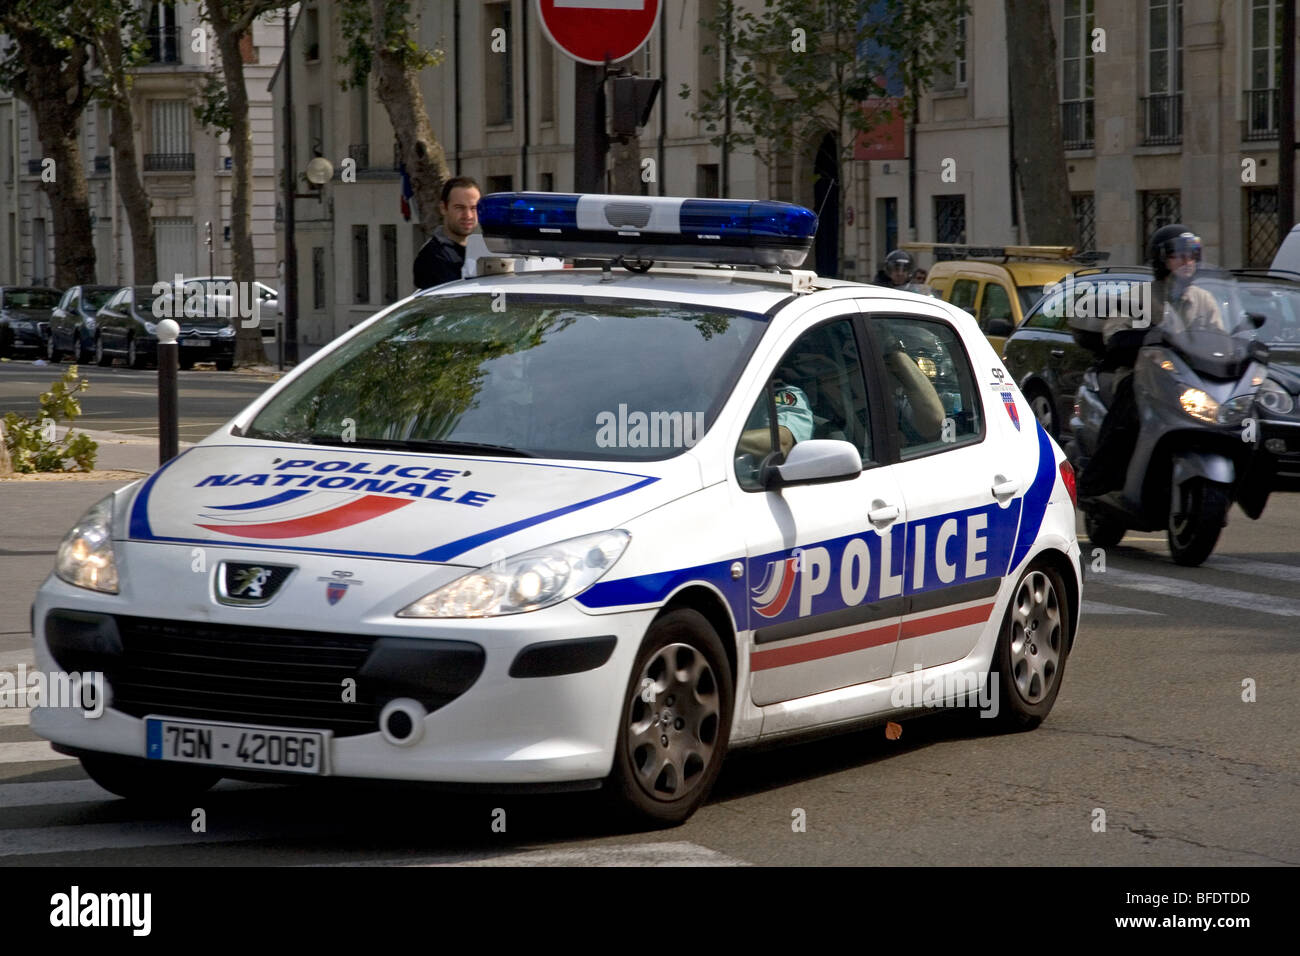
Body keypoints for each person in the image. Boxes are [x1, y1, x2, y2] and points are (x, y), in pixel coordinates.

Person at [1080, 224, 1225, 500]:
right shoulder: (1138, 298)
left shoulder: (1204, 300)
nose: (1187, 261)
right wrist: (1150, 335)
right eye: (1178, 255)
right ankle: (1097, 484)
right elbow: (1115, 337)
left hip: (1191, 382)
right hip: (1144, 377)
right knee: (1128, 417)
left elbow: (1219, 340)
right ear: (1161, 259)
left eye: (1192, 255)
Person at [413, 176, 481, 289]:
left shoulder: (482, 250)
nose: (468, 215)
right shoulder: (432, 255)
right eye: (459, 208)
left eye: (473, 208)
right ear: (443, 208)